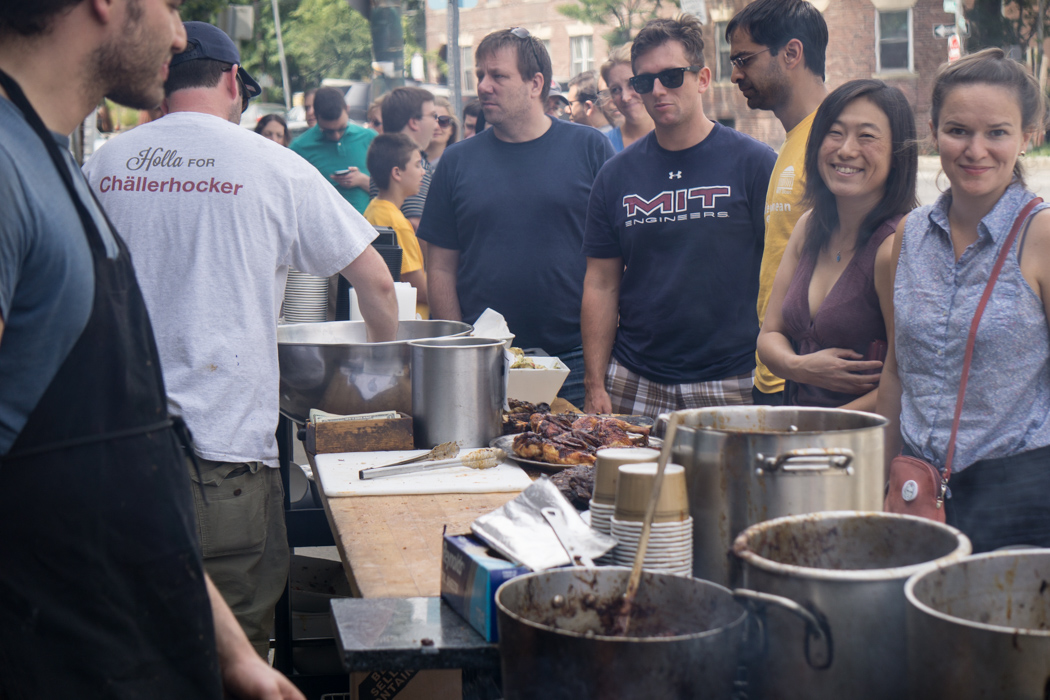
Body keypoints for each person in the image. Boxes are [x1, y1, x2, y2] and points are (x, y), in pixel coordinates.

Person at [0, 3, 302, 699]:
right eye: (169, 4)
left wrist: (235, 654)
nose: (176, 33)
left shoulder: (61, 161)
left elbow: (116, 461)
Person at [84, 20, 398, 658]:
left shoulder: (104, 164)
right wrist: (387, 384)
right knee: (236, 663)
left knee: (132, 653)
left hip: (117, 456)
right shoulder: (274, 165)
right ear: (233, 81)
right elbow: (378, 284)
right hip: (226, 457)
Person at [877, 48, 1050, 552]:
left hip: (1021, 502)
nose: (976, 150)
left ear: (1028, 136)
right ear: (934, 131)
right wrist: (877, 487)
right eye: (958, 130)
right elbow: (895, 372)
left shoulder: (1040, 237)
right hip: (916, 495)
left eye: (997, 132)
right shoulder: (906, 238)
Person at [581, 15, 776, 417]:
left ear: (703, 78)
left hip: (733, 377)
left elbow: (784, 274)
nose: (657, 90)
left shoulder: (754, 163)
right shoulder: (616, 175)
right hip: (635, 379)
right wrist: (595, 383)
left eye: (672, 76)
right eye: (644, 81)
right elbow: (601, 283)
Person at [419, 28, 614, 408]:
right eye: (480, 75)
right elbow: (440, 268)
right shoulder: (456, 162)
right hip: (485, 361)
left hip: (575, 361)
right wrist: (461, 351)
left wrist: (596, 379)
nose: (484, 86)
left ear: (535, 83)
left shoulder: (590, 148)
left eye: (498, 76)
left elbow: (616, 263)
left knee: (571, 465)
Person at [757, 80, 917, 409]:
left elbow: (907, 381)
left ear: (898, 152)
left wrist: (819, 431)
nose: (846, 149)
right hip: (800, 436)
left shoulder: (895, 245)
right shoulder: (809, 227)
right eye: (835, 132)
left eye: (867, 136)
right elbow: (769, 335)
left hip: (861, 447)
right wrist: (801, 368)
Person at [727, 0, 829, 405]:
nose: (735, 74)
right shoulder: (790, 143)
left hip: (811, 379)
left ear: (791, 53)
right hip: (773, 372)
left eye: (744, 59)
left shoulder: (835, 142)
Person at [365, 133, 429, 318]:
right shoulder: (397, 223)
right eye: (417, 165)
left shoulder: (373, 209)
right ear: (397, 173)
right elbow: (419, 289)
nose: (423, 171)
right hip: (411, 323)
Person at [290, 86, 374, 213]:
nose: (336, 136)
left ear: (348, 109)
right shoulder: (299, 148)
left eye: (341, 129)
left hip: (371, 227)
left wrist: (362, 180)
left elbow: (394, 192)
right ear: (315, 116)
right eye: (328, 131)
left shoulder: (370, 138)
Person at [375, 87, 439, 232]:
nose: (436, 124)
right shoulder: (411, 163)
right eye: (433, 116)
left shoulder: (385, 155)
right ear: (414, 122)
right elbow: (416, 223)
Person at [599, 43, 654, 152]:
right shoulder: (603, 146)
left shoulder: (677, 137)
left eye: (632, 84)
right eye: (615, 90)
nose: (625, 97)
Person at [426, 95, 459, 167]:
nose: (436, 127)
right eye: (431, 120)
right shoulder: (407, 161)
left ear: (452, 129)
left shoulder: (459, 163)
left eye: (444, 121)